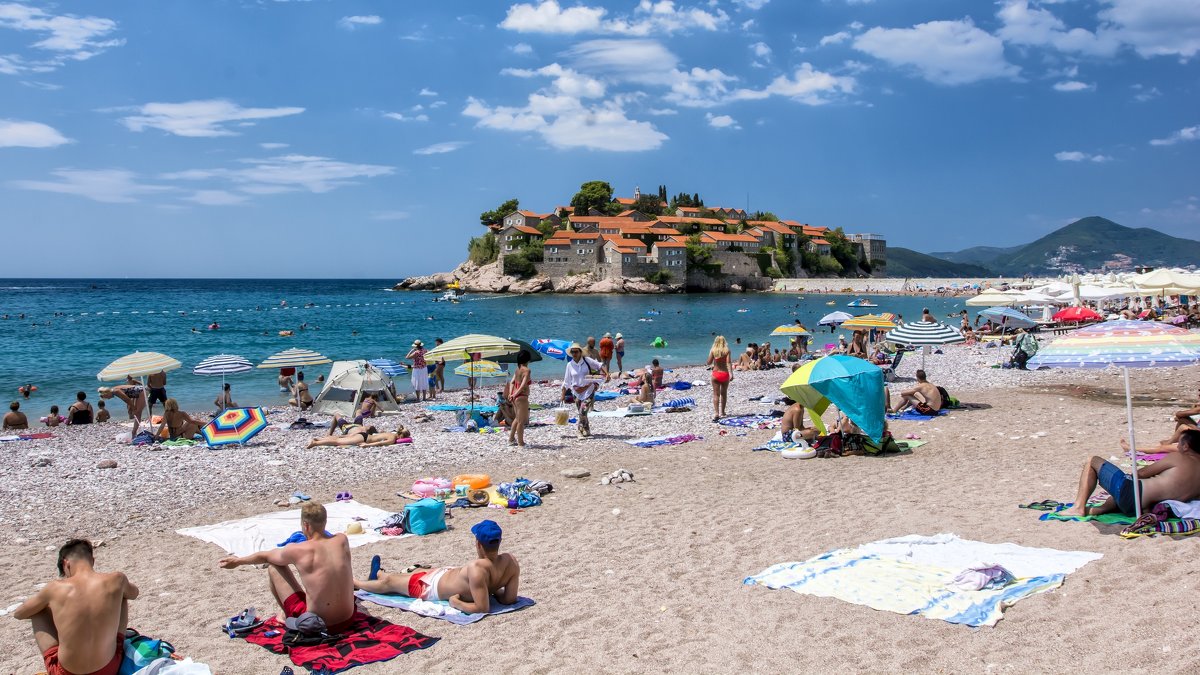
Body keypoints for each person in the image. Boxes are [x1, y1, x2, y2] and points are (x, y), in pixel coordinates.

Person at [219, 502, 355, 632]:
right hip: (348, 618)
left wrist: (238, 561)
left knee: (274, 567)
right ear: (325, 522)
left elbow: (265, 556)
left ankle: (286, 615)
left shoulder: (298, 549)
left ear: (306, 526)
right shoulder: (342, 540)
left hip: (317, 624)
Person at [13, 539, 139, 675]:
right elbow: (134, 593)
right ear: (93, 560)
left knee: (37, 611)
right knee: (122, 595)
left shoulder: (55, 588)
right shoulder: (116, 579)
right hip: (109, 668)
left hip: (66, 672)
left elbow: (19, 614)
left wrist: (50, 606)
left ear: (66, 564)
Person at [354, 520, 519, 615]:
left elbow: (482, 608)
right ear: (499, 541)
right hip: (441, 575)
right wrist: (495, 590)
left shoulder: (477, 569)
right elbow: (509, 599)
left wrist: (455, 603)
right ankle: (379, 573)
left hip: (430, 587)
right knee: (414, 574)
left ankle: (357, 583)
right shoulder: (510, 561)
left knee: (390, 583)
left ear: (478, 544)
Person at [1065, 430, 1200, 517]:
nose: (1177, 447)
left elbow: (1142, 473)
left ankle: (1078, 507)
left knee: (1092, 460)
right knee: (1118, 495)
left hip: (1132, 496)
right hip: (1144, 508)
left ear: (1186, 446)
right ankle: (1099, 510)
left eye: (1179, 444)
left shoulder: (1178, 457)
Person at [562, 342, 606, 438]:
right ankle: (587, 430)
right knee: (582, 413)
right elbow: (566, 381)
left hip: (588, 390)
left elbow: (599, 365)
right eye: (572, 352)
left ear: (580, 352)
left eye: (576, 352)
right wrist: (563, 394)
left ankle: (579, 431)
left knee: (582, 411)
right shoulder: (569, 365)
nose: (574, 354)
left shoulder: (587, 360)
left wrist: (607, 374)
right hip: (576, 392)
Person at [506, 350, 532, 448]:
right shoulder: (527, 370)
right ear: (528, 359)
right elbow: (523, 385)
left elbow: (512, 382)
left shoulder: (517, 370)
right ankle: (521, 443)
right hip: (522, 397)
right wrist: (515, 394)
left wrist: (511, 394)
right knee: (522, 421)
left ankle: (511, 439)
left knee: (517, 419)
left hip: (515, 397)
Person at [707, 335, 732, 422]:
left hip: (716, 374)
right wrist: (731, 373)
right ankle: (723, 412)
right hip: (725, 373)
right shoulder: (727, 351)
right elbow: (728, 363)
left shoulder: (713, 350)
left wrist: (712, 355)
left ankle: (716, 413)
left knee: (715, 394)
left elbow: (709, 362)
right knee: (723, 394)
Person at [306, 425, 379, 448]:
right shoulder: (389, 436)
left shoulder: (363, 429)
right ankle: (315, 443)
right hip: (364, 437)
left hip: (362, 436)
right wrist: (368, 445)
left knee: (339, 439)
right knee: (338, 441)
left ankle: (318, 440)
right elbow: (383, 443)